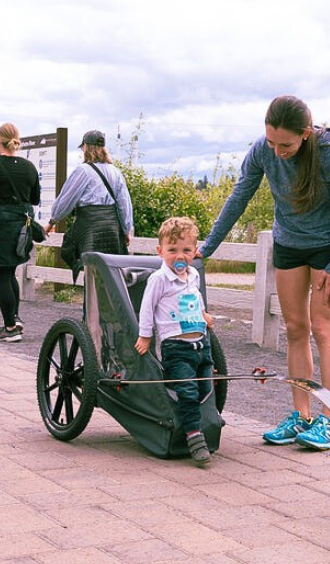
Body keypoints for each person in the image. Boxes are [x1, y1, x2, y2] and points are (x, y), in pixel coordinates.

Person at [198, 95, 330, 451]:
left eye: (285, 144)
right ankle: (302, 416)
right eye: (271, 142)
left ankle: (329, 423)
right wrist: (208, 247)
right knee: (295, 329)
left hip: (325, 248)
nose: (277, 150)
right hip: (288, 244)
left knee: (323, 329)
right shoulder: (263, 150)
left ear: (305, 134)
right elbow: (240, 195)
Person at [135, 217, 216, 464]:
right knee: (188, 391)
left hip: (201, 343)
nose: (179, 256)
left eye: (185, 250)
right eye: (172, 250)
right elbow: (147, 308)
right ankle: (193, 435)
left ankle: (207, 423)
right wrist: (145, 336)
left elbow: (195, 297)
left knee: (206, 387)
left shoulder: (192, 275)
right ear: (161, 252)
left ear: (194, 251)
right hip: (176, 346)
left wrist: (203, 314)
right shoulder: (159, 279)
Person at [46, 130, 134, 282]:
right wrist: (126, 230)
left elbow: (66, 199)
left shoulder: (83, 171)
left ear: (86, 147)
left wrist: (52, 221)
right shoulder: (115, 172)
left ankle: (90, 306)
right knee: (110, 279)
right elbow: (124, 204)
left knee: (91, 277)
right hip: (112, 230)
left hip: (90, 229)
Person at [0, 123, 41, 343]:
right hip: (22, 226)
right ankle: (14, 319)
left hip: (2, 225)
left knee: (2, 274)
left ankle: (10, 328)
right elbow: (34, 199)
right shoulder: (29, 167)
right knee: (10, 272)